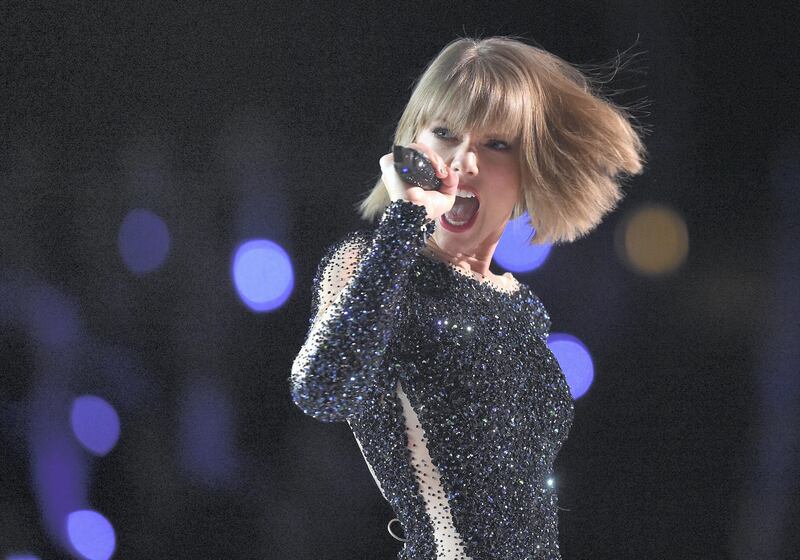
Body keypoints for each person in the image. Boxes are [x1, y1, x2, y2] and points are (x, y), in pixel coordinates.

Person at [290, 35, 645, 560]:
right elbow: (322, 390)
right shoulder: (372, 268)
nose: (462, 162)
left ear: (530, 170)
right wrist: (404, 224)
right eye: (445, 133)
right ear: (411, 148)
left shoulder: (519, 304)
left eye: (496, 144)